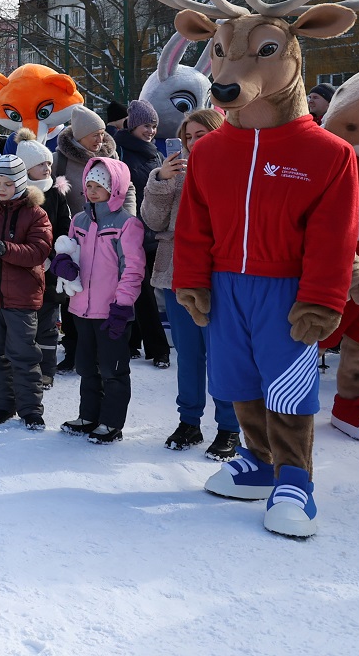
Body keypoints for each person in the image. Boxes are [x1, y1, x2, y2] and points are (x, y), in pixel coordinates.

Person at [140, 109, 238, 459]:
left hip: (220, 276)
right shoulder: (175, 174)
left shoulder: (234, 170)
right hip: (176, 273)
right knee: (189, 355)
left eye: (201, 135)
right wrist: (161, 180)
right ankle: (189, 421)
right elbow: (151, 220)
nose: (194, 143)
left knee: (223, 356)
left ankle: (229, 426)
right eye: (188, 137)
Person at [57, 158, 146, 444]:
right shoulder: (79, 220)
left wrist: (122, 306)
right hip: (82, 308)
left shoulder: (126, 224)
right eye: (90, 185)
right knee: (86, 366)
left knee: (112, 368)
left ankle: (110, 422)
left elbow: (132, 268)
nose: (93, 191)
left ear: (115, 188)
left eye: (100, 186)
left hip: (111, 311)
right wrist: (62, 264)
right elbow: (68, 251)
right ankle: (88, 415)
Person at [0, 154, 54, 428]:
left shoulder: (36, 213)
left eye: (7, 182)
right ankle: (2, 404)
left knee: (23, 354)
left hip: (21, 296)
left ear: (19, 182)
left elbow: (39, 251)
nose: (1, 188)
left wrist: (6, 248)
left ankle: (30, 409)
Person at [113, 99, 170, 368]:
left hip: (155, 229)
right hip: (132, 231)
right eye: (147, 125)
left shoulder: (156, 154)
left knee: (144, 289)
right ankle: (158, 349)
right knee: (141, 290)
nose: (151, 131)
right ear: (133, 125)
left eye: (154, 126)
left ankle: (134, 341)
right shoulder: (120, 150)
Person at [19, 136, 73, 386]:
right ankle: (24, 369)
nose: (47, 169)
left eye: (48, 164)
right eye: (41, 164)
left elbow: (64, 226)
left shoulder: (56, 193)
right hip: (24, 270)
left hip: (50, 272)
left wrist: (54, 256)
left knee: (48, 324)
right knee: (24, 326)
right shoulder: (18, 196)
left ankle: (46, 370)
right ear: (26, 166)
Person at [55, 105, 134, 218]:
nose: (100, 140)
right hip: (74, 231)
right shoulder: (59, 160)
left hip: (110, 230)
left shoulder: (111, 157)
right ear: (80, 137)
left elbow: (126, 188)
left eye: (102, 133)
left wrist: (127, 218)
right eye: (95, 135)